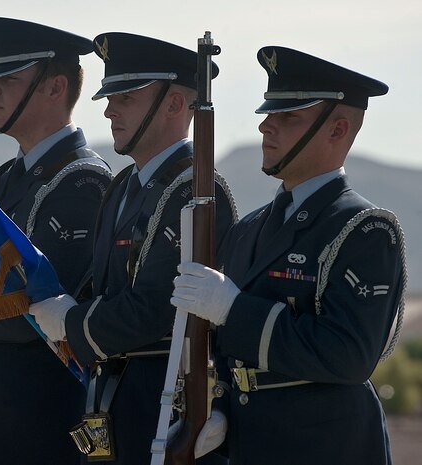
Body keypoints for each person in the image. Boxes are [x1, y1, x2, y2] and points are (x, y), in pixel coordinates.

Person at [171, 46, 406, 465]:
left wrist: (235, 309)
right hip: (252, 444)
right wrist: (221, 408)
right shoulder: (249, 228)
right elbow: (230, 354)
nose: (266, 126)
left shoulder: (365, 229)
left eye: (289, 117)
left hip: (327, 447)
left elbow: (348, 356)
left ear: (337, 130)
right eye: (269, 114)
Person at [29, 33, 237, 464]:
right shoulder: (124, 186)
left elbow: (154, 308)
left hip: (161, 401)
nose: (108, 109)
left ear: (176, 105)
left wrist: (71, 321)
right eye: (110, 97)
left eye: (125, 96)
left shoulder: (197, 193)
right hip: (113, 401)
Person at [0, 18, 112, 465]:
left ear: (55, 88)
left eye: (9, 78)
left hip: (38, 428)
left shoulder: (84, 183)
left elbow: (32, 309)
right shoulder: (7, 180)